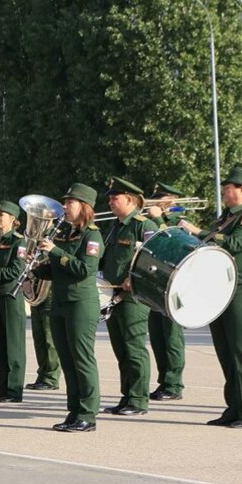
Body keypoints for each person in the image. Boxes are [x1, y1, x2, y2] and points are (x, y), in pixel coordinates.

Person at [183, 169, 242, 429]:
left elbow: (235, 244)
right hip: (222, 287)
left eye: (228, 188)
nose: (224, 193)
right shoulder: (228, 216)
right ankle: (235, 407)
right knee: (226, 350)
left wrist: (198, 232)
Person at [36, 184, 103, 432]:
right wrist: (36, 267)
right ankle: (74, 411)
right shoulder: (65, 233)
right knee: (67, 359)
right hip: (61, 302)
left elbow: (84, 269)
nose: (64, 207)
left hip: (81, 304)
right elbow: (57, 270)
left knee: (82, 359)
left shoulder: (92, 236)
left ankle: (88, 413)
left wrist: (55, 251)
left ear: (83, 206)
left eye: (70, 203)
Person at [100, 178, 157, 416]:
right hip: (114, 295)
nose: (111, 202)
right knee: (121, 348)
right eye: (111, 198)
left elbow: (153, 258)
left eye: (115, 198)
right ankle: (127, 396)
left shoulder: (144, 225)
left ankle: (138, 399)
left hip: (134, 296)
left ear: (130, 200)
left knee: (134, 348)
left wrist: (133, 280)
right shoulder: (115, 225)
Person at [144, 182, 189, 401]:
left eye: (159, 199)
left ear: (170, 200)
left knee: (171, 336)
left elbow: (173, 243)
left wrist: (159, 220)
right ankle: (164, 380)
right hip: (155, 283)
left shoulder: (180, 221)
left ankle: (174, 383)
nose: (154, 203)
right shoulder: (151, 221)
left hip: (175, 285)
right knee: (157, 336)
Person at [0, 200, 29, 402]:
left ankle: (14, 391)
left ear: (13, 219)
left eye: (1, 215)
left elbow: (15, 271)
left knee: (13, 345)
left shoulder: (18, 242)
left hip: (11, 296)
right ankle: (2, 388)